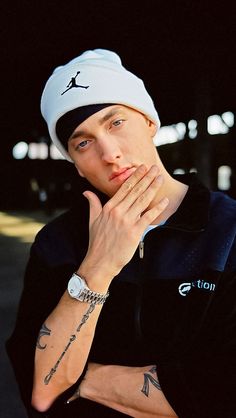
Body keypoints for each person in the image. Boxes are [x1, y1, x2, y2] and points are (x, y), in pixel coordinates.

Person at [6, 49, 236, 418]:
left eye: (115, 123)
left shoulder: (228, 231)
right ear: (76, 166)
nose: (109, 153)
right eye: (83, 143)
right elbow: (40, 395)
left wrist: (85, 380)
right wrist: (97, 267)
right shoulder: (57, 244)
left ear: (148, 121)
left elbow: (225, 391)